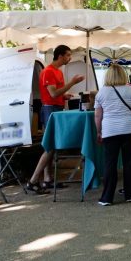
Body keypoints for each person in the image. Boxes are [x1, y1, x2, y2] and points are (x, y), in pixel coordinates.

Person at [25, 44, 84, 194]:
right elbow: (52, 94)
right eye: (68, 55)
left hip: (57, 108)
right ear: (60, 55)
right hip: (50, 110)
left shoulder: (58, 72)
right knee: (49, 146)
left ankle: (47, 179)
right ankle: (33, 181)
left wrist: (64, 95)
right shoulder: (48, 72)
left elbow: (56, 93)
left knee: (52, 146)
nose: (69, 58)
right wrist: (72, 83)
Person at [94, 64, 131, 205]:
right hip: (129, 130)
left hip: (109, 131)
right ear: (123, 75)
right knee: (129, 162)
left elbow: (98, 116)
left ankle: (107, 198)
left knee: (110, 164)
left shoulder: (101, 93)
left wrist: (98, 131)